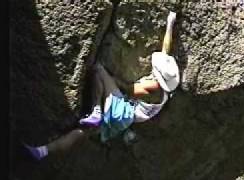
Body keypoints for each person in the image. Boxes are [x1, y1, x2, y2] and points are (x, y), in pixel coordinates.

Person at [23, 11, 179, 161]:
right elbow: (166, 49)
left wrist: (113, 78)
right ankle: (42, 151)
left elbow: (127, 88)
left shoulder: (152, 85)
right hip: (122, 123)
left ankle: (96, 110)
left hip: (122, 112)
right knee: (81, 132)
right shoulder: (164, 93)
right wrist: (170, 23)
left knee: (98, 69)